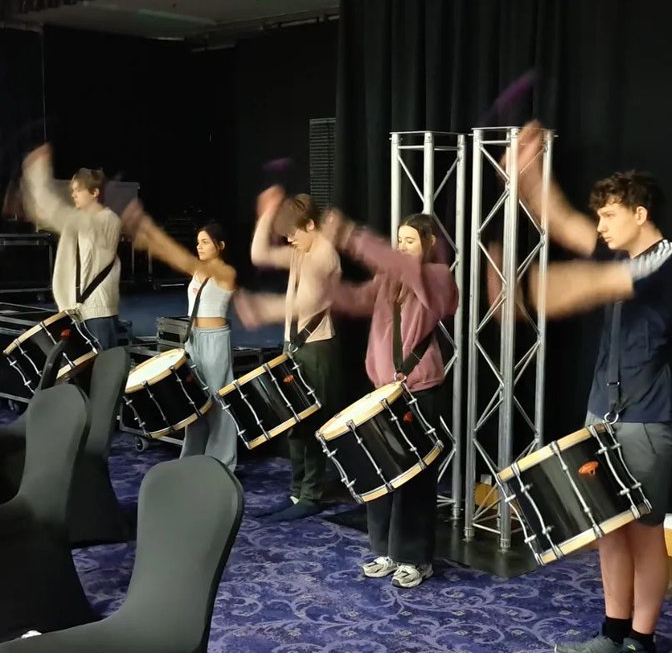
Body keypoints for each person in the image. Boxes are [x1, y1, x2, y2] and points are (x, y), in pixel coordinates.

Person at [506, 121, 672, 653]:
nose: (602, 226)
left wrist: (543, 283)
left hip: (647, 420)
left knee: (643, 532)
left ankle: (643, 646)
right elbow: (580, 242)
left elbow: (587, 275)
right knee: (606, 528)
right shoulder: (626, 259)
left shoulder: (664, 263)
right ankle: (613, 630)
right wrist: (530, 181)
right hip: (603, 413)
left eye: (610, 214)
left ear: (639, 213)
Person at [321, 211, 458, 589]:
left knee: (415, 478)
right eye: (398, 240)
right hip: (382, 393)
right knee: (379, 474)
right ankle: (385, 549)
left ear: (429, 245)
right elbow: (356, 297)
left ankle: (415, 557)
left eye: (410, 241)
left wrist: (353, 235)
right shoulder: (387, 279)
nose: (401, 248)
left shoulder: (438, 276)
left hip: (418, 391)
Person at [236, 189, 341, 520]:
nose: (290, 241)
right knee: (294, 420)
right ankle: (297, 492)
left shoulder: (324, 254)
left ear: (310, 226)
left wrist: (263, 308)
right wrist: (267, 215)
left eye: (293, 234)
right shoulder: (302, 250)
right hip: (293, 345)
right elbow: (258, 255)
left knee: (311, 421)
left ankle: (311, 493)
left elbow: (306, 303)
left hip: (316, 347)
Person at [120, 204, 239, 471]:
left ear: (220, 245)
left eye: (206, 242)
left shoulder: (226, 273)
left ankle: (221, 461)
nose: (200, 246)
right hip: (193, 337)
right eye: (198, 242)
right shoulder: (198, 270)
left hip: (215, 339)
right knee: (194, 399)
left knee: (218, 399)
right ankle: (192, 456)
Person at [21, 144, 122, 350]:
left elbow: (56, 212)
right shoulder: (79, 221)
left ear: (94, 192)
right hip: (79, 311)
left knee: (102, 372)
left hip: (98, 312)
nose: (73, 195)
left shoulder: (108, 219)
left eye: (78, 190)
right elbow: (47, 214)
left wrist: (38, 176)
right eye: (72, 191)